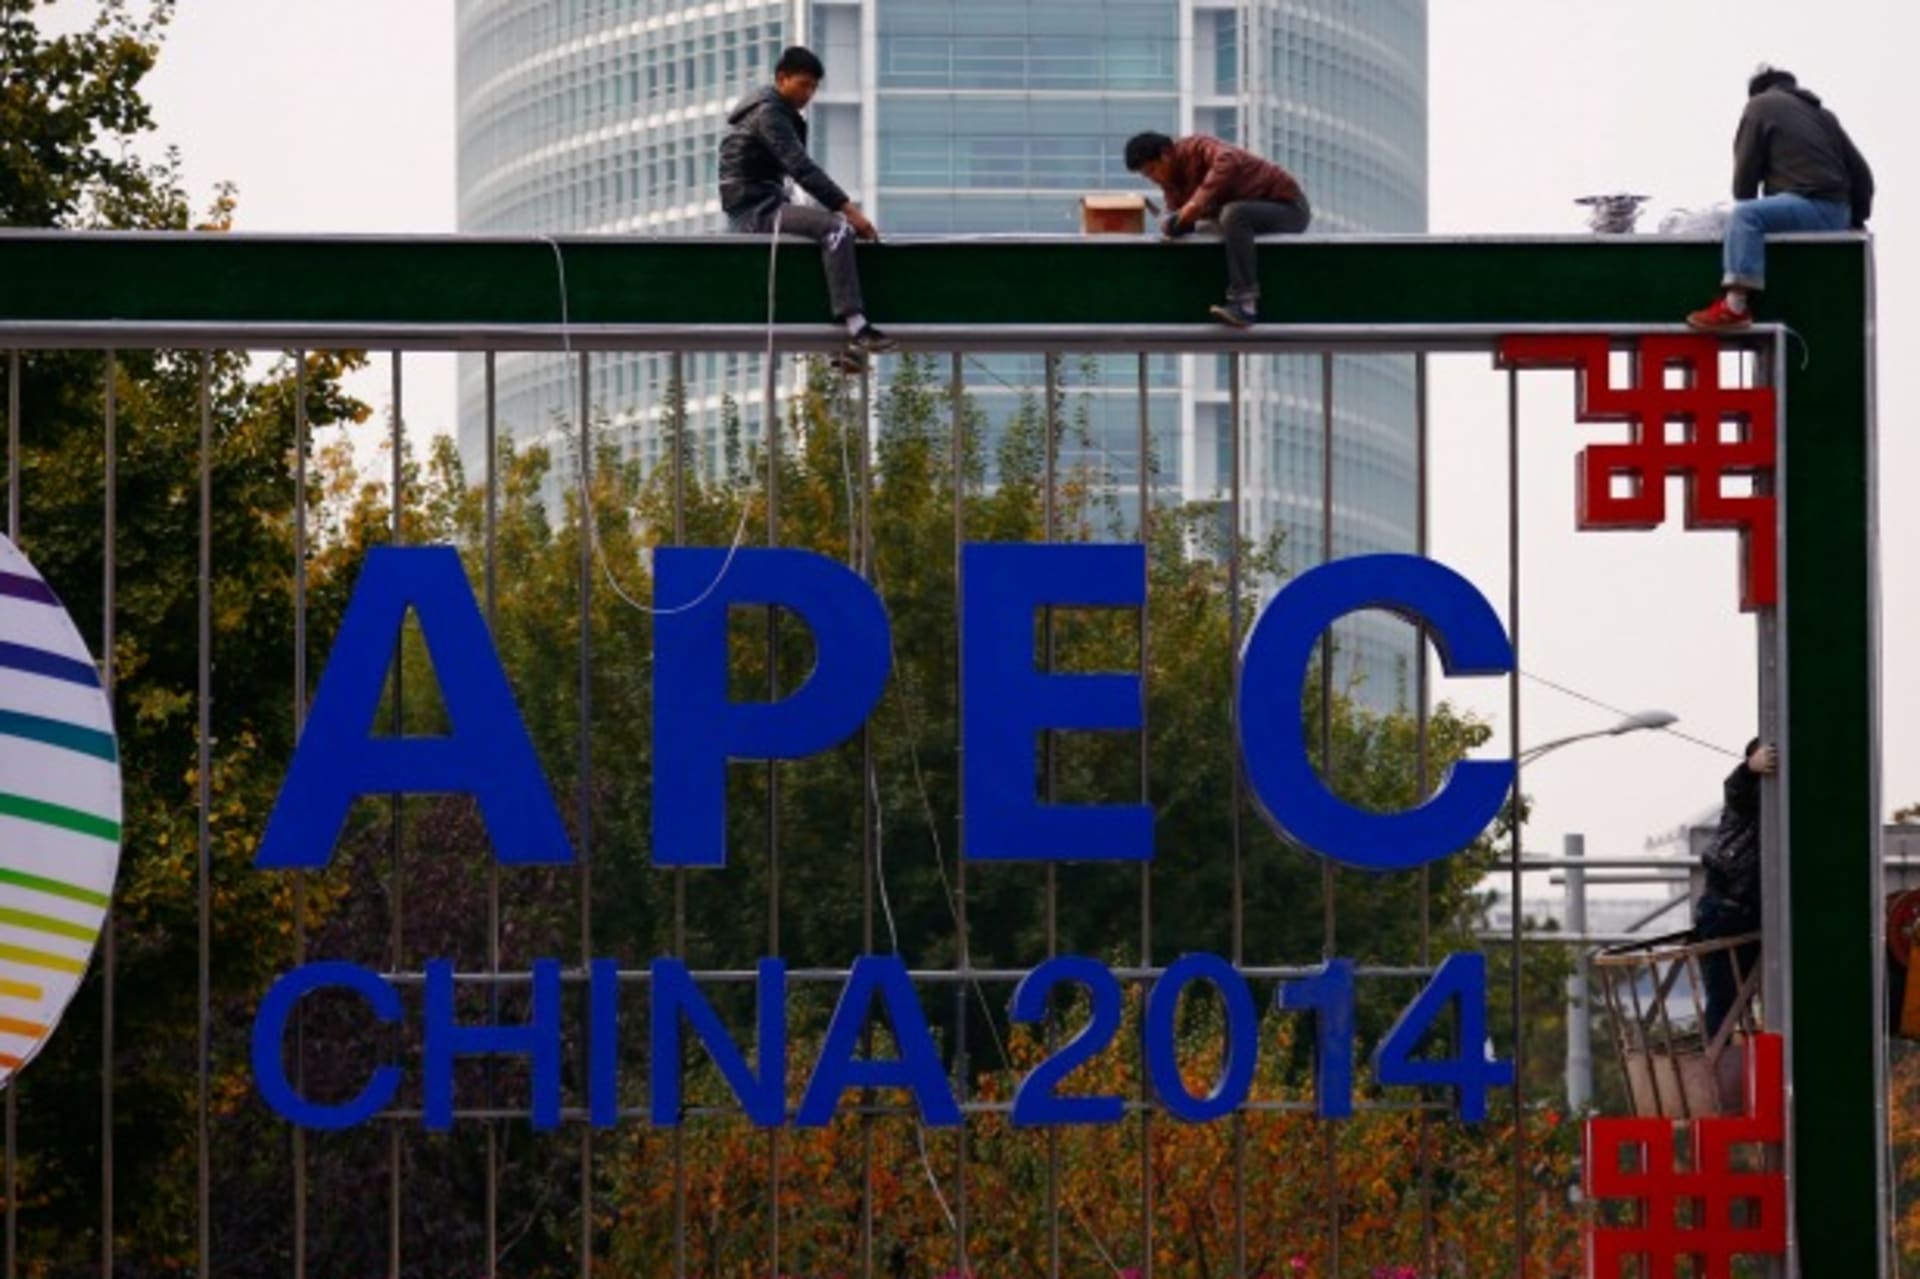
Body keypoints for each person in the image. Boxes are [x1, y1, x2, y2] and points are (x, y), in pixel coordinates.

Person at [719, 46, 894, 368]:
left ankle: (836, 344)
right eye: (803, 84)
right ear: (781, 78)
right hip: (756, 213)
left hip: (767, 205)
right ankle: (857, 328)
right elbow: (801, 168)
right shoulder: (769, 114)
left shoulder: (774, 112)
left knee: (820, 241)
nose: (808, 93)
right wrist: (850, 211)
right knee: (836, 229)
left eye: (814, 87)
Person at [1687, 66, 1874, 332]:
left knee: (1745, 216)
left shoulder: (1760, 106)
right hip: (1837, 212)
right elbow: (1862, 173)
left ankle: (1735, 307)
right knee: (1755, 214)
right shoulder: (1823, 116)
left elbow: (1744, 187)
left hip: (1812, 206)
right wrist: (1855, 220)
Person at [1123, 131, 1311, 328]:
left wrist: (1197, 202)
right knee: (1207, 227)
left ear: (1166, 153)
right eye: (1147, 175)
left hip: (1289, 208)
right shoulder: (1171, 186)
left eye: (1153, 169)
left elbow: (1229, 159)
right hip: (1251, 217)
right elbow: (1182, 217)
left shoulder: (1197, 146)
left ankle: (1244, 303)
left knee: (1233, 214)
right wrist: (1173, 225)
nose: (1153, 179)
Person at [1694, 738, 1777, 1038]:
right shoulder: (1749, 800)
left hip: (1755, 914)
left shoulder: (1783, 809)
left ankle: (1731, 1055)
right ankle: (1717, 1062)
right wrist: (1749, 769)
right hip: (1725, 910)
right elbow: (1736, 790)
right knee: (1725, 1000)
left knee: (1746, 1001)